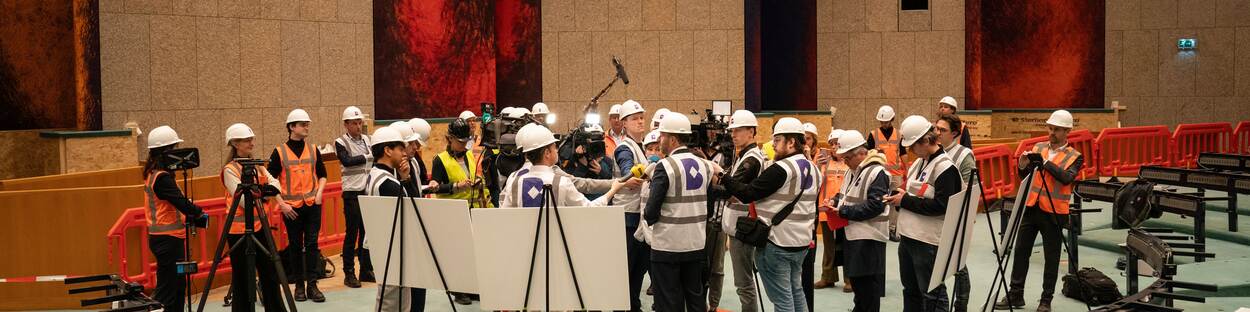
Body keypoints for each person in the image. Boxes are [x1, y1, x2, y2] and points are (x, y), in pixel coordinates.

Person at [722, 117, 819, 312]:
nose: (772, 146)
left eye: (776, 140)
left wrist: (723, 176)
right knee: (796, 292)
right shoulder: (814, 169)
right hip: (800, 243)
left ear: (791, 142)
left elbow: (748, 193)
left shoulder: (782, 168)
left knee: (782, 300)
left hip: (777, 242)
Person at [995, 110, 1083, 312]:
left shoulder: (1075, 156)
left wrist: (1045, 163)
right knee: (1020, 252)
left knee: (1050, 258)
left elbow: (1066, 178)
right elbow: (1026, 175)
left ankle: (1046, 301)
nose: (1052, 133)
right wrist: (1022, 165)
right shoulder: (1038, 147)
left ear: (1067, 131)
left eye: (1057, 130)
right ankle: (1016, 294)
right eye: (1050, 128)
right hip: (1031, 206)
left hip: (1054, 212)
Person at [883, 115, 962, 312]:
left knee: (932, 293)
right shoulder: (919, 163)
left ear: (926, 141)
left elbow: (942, 206)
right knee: (911, 290)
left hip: (928, 242)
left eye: (913, 146)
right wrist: (901, 196)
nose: (909, 151)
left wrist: (905, 200)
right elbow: (915, 194)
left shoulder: (946, 168)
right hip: (908, 238)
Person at [642, 112, 719, 312]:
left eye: (662, 135)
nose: (659, 140)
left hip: (668, 246)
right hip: (695, 244)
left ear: (673, 138)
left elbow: (651, 211)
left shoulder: (665, 166)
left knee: (668, 302)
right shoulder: (705, 165)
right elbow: (709, 207)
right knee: (695, 299)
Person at [221, 123, 294, 311]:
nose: (251, 143)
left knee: (270, 274)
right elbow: (245, 201)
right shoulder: (230, 169)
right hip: (237, 232)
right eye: (247, 140)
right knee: (243, 278)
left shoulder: (257, 165)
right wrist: (265, 192)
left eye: (251, 139)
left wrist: (261, 192)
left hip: (260, 228)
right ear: (235, 144)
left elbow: (275, 184)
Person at [365, 126, 434, 312]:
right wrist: (405, 181)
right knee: (393, 305)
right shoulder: (389, 184)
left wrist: (404, 179)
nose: (404, 153)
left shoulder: (373, 176)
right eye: (400, 149)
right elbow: (411, 215)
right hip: (394, 253)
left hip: (384, 249)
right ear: (387, 150)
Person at [267, 108, 329, 303]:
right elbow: (270, 180)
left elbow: (323, 174)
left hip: (312, 205)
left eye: (307, 124)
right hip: (291, 208)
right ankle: (299, 286)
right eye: (303, 124)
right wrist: (282, 204)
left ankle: (313, 285)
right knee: (295, 246)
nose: (306, 127)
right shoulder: (279, 152)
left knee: (312, 245)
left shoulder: (313, 149)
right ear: (291, 127)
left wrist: (319, 194)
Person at [142, 125, 206, 312]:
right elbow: (181, 203)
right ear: (166, 151)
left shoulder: (155, 174)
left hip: (168, 239)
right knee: (168, 290)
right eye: (175, 149)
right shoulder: (161, 178)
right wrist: (199, 213)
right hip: (167, 240)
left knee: (177, 286)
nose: (178, 153)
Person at [499, 123, 638, 208]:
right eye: (554, 147)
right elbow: (589, 209)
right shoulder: (561, 182)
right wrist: (613, 189)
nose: (557, 150)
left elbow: (504, 215)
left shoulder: (514, 181)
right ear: (547, 153)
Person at [830, 130, 891, 312]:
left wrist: (844, 211)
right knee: (858, 285)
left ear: (861, 153)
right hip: (854, 235)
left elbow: (876, 206)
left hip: (869, 237)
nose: (845, 162)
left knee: (868, 289)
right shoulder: (853, 170)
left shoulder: (877, 172)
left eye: (847, 157)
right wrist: (834, 201)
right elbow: (846, 194)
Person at [715, 110, 766, 312]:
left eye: (738, 130)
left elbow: (731, 189)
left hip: (744, 226)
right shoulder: (742, 155)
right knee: (743, 281)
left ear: (751, 132)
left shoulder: (751, 159)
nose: (733, 134)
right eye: (732, 130)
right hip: (737, 225)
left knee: (743, 282)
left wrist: (717, 179)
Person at [612, 100, 652, 312]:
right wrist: (631, 176)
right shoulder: (625, 148)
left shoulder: (640, 147)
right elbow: (627, 166)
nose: (640, 121)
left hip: (638, 216)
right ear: (624, 123)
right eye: (634, 118)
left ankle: (633, 306)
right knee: (628, 270)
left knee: (638, 270)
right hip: (628, 218)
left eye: (641, 117)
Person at [935, 114, 977, 312]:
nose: (937, 133)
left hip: (957, 216)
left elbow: (971, 188)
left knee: (958, 264)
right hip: (938, 217)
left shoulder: (964, 154)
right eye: (936, 128)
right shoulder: (936, 152)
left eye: (942, 130)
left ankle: (961, 305)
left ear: (954, 133)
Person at [335, 106, 376, 288]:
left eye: (360, 122)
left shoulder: (367, 139)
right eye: (354, 123)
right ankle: (349, 273)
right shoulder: (340, 142)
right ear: (346, 124)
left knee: (367, 234)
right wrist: (367, 156)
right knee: (352, 234)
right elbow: (347, 161)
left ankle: (365, 270)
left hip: (367, 190)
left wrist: (365, 157)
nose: (358, 126)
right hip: (352, 193)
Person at [815, 129, 852, 294]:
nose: (834, 147)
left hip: (844, 211)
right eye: (832, 144)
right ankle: (828, 277)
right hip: (826, 211)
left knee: (846, 245)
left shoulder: (850, 164)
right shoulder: (824, 162)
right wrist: (819, 165)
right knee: (829, 247)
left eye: (837, 143)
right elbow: (816, 182)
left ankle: (849, 279)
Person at [867, 105, 906, 242]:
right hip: (879, 173)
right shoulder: (873, 134)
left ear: (892, 119)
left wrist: (907, 170)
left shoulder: (899, 134)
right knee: (879, 199)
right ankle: (878, 228)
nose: (883, 124)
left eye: (886, 121)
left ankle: (892, 229)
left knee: (895, 202)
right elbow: (869, 154)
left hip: (896, 173)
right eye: (881, 121)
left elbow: (903, 153)